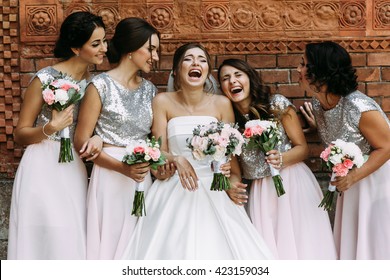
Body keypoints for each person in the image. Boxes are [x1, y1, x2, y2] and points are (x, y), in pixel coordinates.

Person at [121, 43, 274, 260]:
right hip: (174, 188)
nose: (196, 63)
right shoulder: (162, 101)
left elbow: (232, 155)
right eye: (188, 59)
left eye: (202, 60)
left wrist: (232, 182)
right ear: (176, 71)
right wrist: (176, 159)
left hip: (215, 186)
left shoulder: (222, 104)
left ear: (207, 72)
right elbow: (158, 150)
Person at [7, 11, 107, 259]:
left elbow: (91, 128)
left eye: (104, 41)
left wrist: (98, 138)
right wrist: (50, 128)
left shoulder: (94, 83)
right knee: (43, 233)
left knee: (72, 233)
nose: (104, 48)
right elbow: (20, 134)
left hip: (72, 164)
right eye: (96, 44)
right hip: (41, 164)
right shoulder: (44, 79)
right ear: (76, 47)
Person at [217, 59, 337, 260]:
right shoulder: (229, 124)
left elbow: (303, 149)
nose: (232, 81)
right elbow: (235, 166)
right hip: (261, 191)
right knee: (270, 252)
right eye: (225, 78)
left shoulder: (277, 104)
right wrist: (231, 184)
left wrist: (280, 158)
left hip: (292, 182)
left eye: (238, 75)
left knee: (305, 246)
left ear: (249, 78)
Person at [74, 17, 168, 260]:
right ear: (131, 48)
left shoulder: (150, 90)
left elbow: (154, 139)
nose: (155, 57)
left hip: (140, 174)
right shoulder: (100, 85)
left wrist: (154, 165)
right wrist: (122, 168)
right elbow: (80, 141)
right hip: (110, 175)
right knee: (111, 240)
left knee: (139, 244)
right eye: (151, 49)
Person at [298, 41, 390, 259]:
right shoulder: (319, 103)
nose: (298, 70)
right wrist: (316, 127)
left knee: (376, 241)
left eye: (304, 64)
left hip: (375, 182)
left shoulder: (359, 107)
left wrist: (354, 176)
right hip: (349, 184)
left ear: (319, 72)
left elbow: (387, 146)